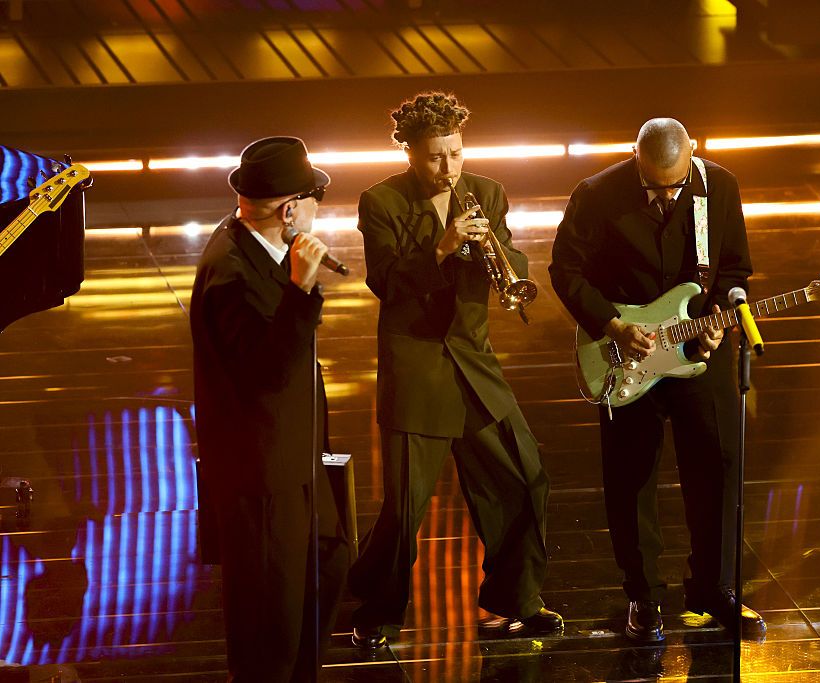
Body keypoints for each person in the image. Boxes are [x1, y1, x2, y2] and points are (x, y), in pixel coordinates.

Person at [347, 92, 561, 648]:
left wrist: (502, 261)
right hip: (417, 366)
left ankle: (518, 599)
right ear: (411, 153)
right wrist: (440, 249)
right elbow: (385, 283)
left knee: (525, 477)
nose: (449, 167)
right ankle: (377, 607)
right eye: (436, 157)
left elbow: (510, 257)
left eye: (457, 154)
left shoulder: (487, 193)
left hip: (473, 360)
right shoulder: (381, 201)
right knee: (406, 506)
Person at [549, 118, 766, 641]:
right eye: (653, 185)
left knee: (718, 464)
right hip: (627, 352)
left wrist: (716, 322)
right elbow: (565, 270)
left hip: (697, 348)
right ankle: (643, 596)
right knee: (631, 477)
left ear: (694, 153)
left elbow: (734, 268)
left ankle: (715, 588)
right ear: (635, 158)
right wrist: (613, 325)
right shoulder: (596, 194)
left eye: (676, 184)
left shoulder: (720, 186)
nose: (666, 195)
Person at [190, 136, 350, 681]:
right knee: (269, 617)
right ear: (289, 210)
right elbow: (268, 371)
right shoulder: (233, 273)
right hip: (262, 472)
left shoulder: (254, 244)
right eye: (313, 200)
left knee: (326, 562)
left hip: (294, 455)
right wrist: (301, 289)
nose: (317, 210)